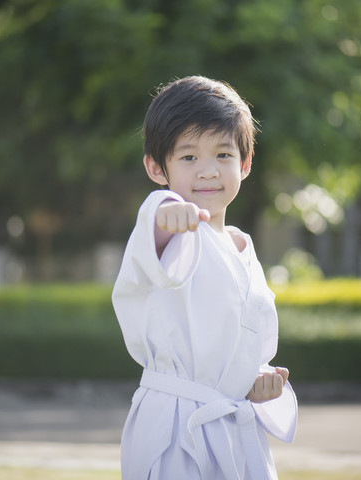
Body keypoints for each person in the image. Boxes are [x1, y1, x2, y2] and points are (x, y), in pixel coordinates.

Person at [112, 76, 297, 479]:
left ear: (245, 164)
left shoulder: (241, 247)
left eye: (223, 154)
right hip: (175, 430)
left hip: (233, 427)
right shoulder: (169, 231)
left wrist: (254, 378)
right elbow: (154, 226)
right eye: (189, 157)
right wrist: (166, 214)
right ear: (156, 167)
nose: (208, 171)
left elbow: (239, 347)